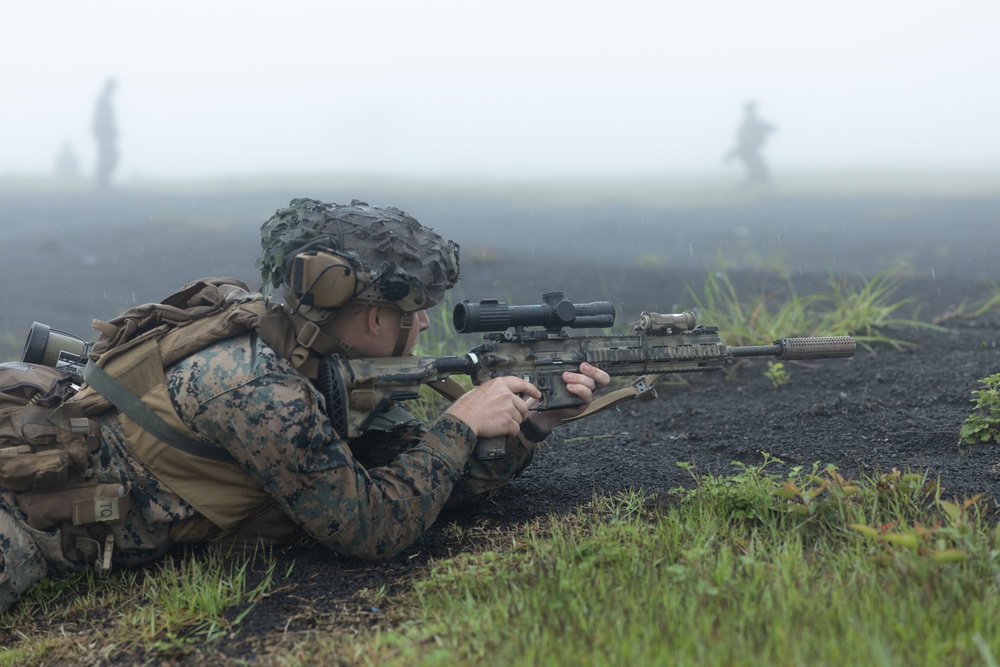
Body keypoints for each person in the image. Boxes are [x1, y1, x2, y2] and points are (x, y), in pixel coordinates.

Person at [0, 198, 610, 611]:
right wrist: (456, 424)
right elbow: (370, 528)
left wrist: (531, 425)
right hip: (24, 518)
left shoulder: (300, 351)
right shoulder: (258, 388)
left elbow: (416, 487)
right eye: (415, 309)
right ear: (372, 315)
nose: (425, 322)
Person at [724, 101, 776, 185]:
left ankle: (759, 182)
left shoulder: (752, 122)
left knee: (758, 167)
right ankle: (757, 182)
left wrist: (730, 155)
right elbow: (744, 142)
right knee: (758, 167)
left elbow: (771, 128)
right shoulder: (750, 122)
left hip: (749, 148)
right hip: (748, 148)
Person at [92, 78, 119, 191]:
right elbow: (102, 118)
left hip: (106, 134)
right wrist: (107, 131)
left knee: (109, 157)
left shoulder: (105, 100)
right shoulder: (103, 100)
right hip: (104, 134)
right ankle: (102, 182)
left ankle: (103, 182)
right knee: (108, 157)